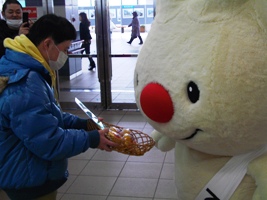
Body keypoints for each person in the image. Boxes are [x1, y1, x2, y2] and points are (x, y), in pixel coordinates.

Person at [0, 14, 117, 200]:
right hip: (29, 180)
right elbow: (47, 141)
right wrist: (92, 139)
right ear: (47, 44)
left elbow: (46, 116)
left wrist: (83, 124)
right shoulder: (26, 83)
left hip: (31, 173)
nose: (66, 55)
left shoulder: (28, 69)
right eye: (65, 49)